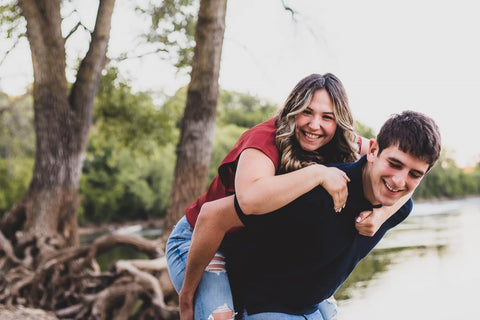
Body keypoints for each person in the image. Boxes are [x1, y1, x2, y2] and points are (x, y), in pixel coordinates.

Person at [166, 73, 405, 320]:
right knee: (220, 316)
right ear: (292, 111)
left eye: (327, 117)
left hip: (250, 251)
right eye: (306, 112)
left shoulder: (339, 137)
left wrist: (381, 215)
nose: (314, 125)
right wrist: (186, 296)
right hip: (201, 237)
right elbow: (248, 200)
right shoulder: (265, 139)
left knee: (328, 312)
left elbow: (404, 168)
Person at [221, 110, 441, 319]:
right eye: (394, 164)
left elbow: (405, 198)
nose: (399, 181)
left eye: (414, 174)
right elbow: (217, 216)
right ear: (372, 151)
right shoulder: (319, 192)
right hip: (263, 303)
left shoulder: (398, 208)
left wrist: (382, 214)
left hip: (312, 305)